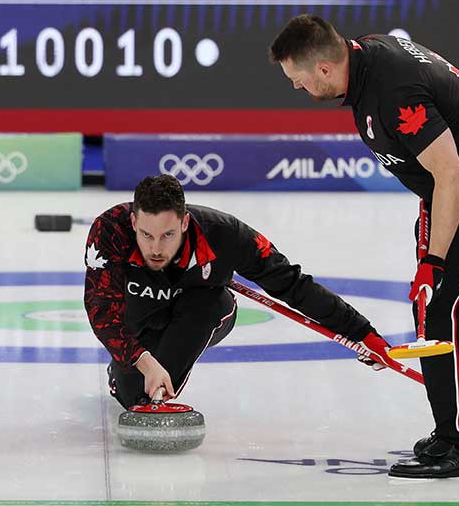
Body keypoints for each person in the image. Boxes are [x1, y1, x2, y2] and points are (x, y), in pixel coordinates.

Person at [269, 15, 459, 479]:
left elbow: (452, 174)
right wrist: (429, 259)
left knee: (445, 309)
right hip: (448, 190)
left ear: (325, 70)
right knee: (432, 305)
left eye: (299, 81)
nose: (299, 89)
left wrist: (433, 259)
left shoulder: (391, 93)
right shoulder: (365, 60)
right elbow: (438, 179)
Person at [83, 174, 393, 413]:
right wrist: (140, 359)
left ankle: (153, 393)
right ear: (134, 222)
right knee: (129, 388)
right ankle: (130, 367)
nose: (156, 248)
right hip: (138, 314)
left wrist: (363, 332)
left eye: (168, 235)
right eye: (146, 235)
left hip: (202, 310)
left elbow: (292, 284)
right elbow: (100, 309)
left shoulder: (224, 234)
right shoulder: (110, 231)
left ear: (185, 222)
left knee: (204, 309)